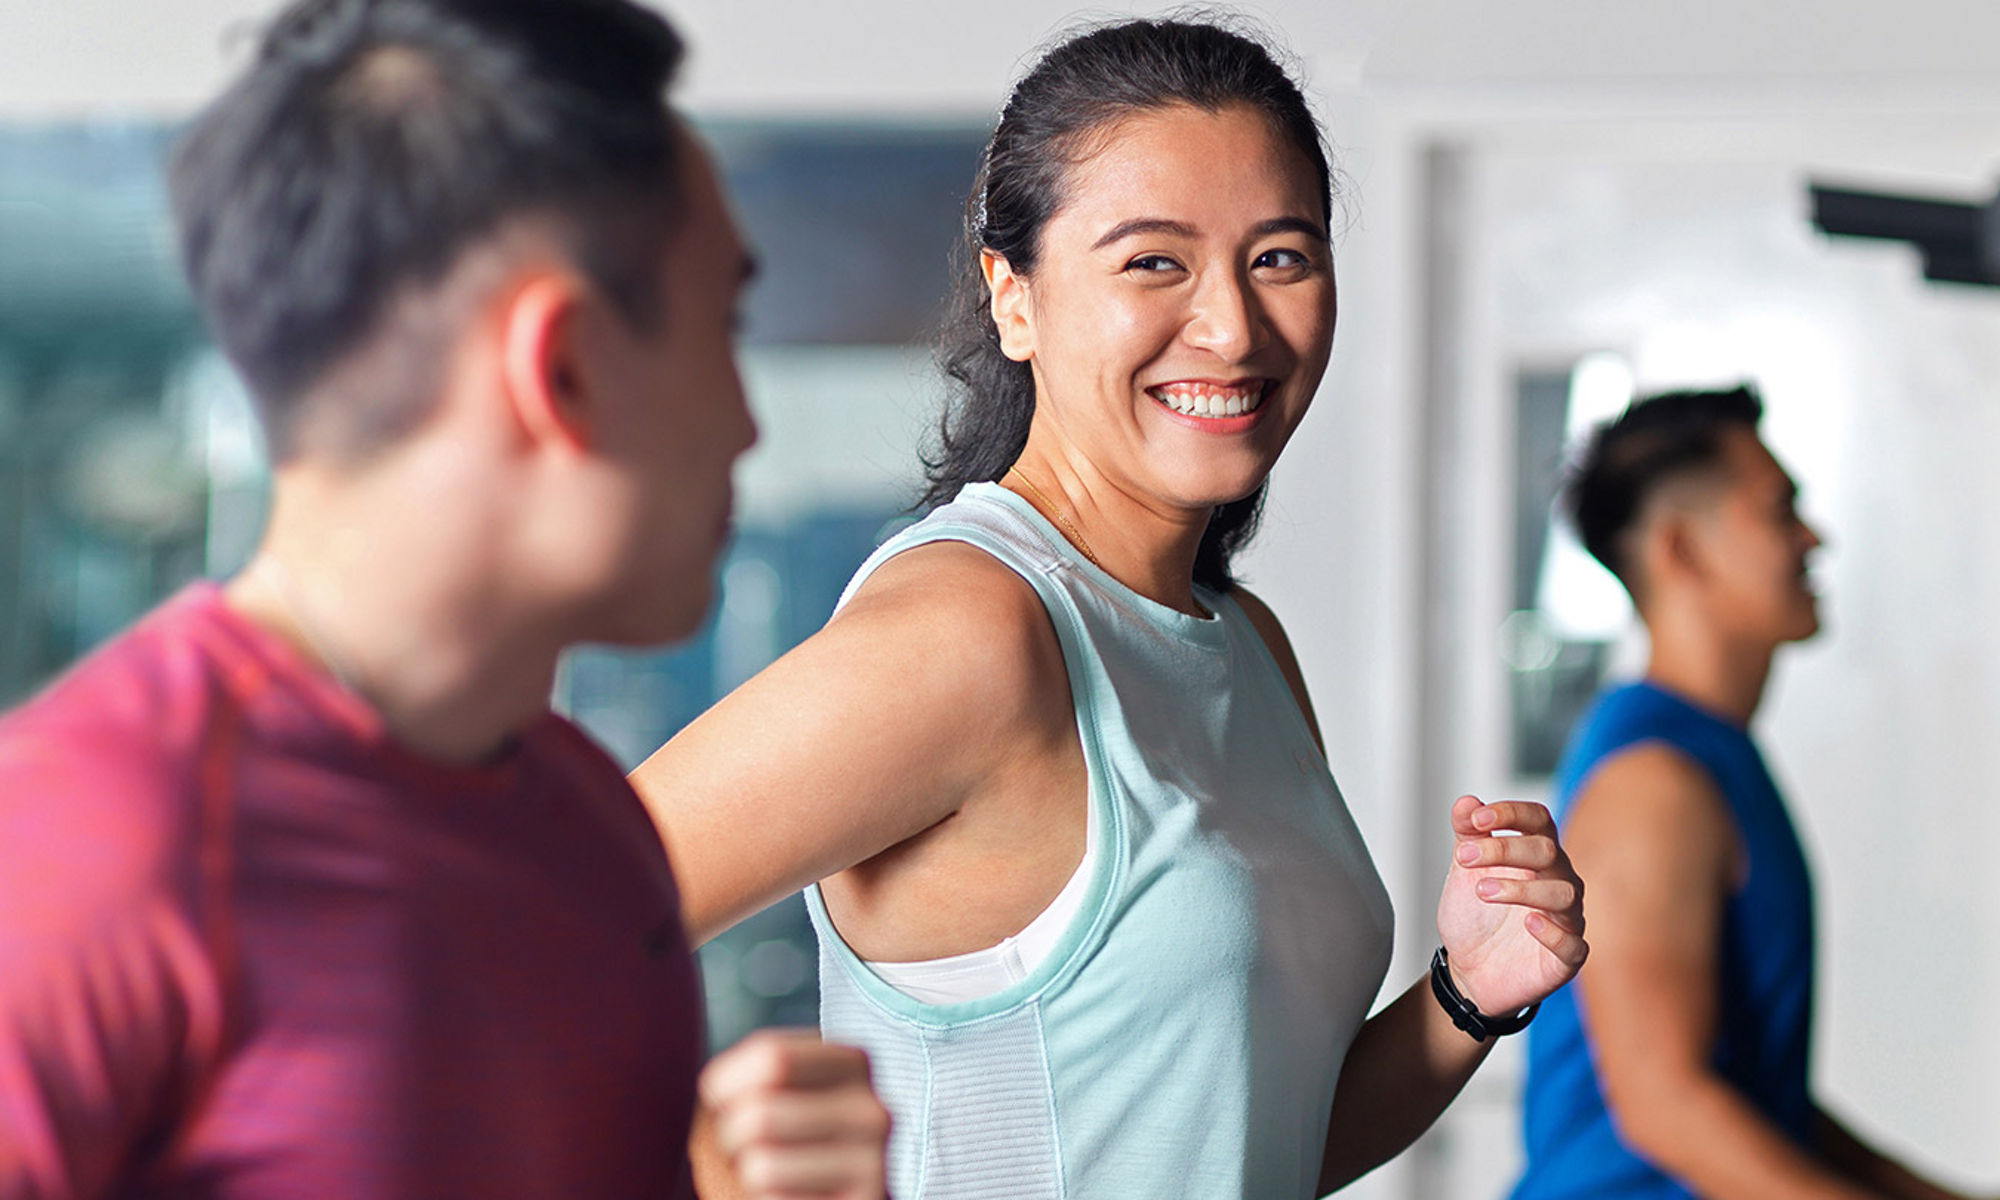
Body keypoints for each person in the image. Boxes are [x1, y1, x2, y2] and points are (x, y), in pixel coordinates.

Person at [631, 17, 1588, 1199]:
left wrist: (1460, 998)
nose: (1232, 328)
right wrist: (713, 1174)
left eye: (1279, 257)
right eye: (1153, 263)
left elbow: (1251, 1140)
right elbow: (497, 935)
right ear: (1012, 299)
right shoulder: (971, 633)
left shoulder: (1242, 644)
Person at [0, 1, 888, 1197]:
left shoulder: (595, 839)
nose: (743, 423)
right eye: (719, 328)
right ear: (560, 367)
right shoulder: (88, 849)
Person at [1512, 387, 1985, 1200]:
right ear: (1682, 552)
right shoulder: (1652, 781)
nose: (1813, 537)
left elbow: (1762, 1100)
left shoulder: (1709, 753)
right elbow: (1666, 1105)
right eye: (1780, 511)